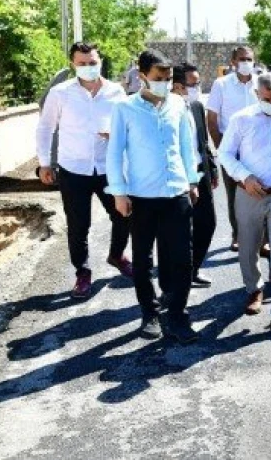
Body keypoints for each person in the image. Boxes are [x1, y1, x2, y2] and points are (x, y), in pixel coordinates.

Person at [106, 50, 200, 343]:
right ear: (143, 75)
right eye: (159, 78)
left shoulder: (177, 105)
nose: (164, 83)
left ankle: (177, 314)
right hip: (141, 196)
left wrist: (192, 181)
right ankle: (150, 312)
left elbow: (186, 145)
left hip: (176, 193)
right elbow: (114, 153)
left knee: (182, 258)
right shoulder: (125, 109)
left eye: (169, 78)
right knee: (144, 259)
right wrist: (119, 192)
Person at [36, 42, 132, 298]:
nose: (88, 67)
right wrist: (45, 162)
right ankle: (82, 272)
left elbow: (127, 125)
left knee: (124, 215)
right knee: (79, 225)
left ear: (100, 62)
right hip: (73, 169)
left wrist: (116, 134)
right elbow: (45, 128)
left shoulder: (115, 92)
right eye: (82, 63)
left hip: (108, 167)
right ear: (73, 64)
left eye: (92, 62)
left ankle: (116, 255)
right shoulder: (60, 93)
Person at [217, 72, 271, 335]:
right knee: (248, 248)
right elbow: (225, 154)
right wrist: (245, 177)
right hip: (249, 194)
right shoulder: (241, 119)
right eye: (268, 99)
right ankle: (254, 290)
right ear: (257, 95)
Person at [205, 46, 259, 251]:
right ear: (233, 62)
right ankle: (237, 234)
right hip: (232, 150)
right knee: (235, 196)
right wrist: (223, 150)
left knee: (260, 191)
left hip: (257, 149)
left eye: (250, 59)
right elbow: (212, 120)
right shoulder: (222, 85)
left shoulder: (260, 84)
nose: (246, 63)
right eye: (242, 59)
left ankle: (260, 237)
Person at [173, 63, 218, 287]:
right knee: (181, 231)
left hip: (201, 173)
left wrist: (212, 167)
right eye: (194, 84)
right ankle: (178, 278)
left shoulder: (198, 106)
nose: (198, 87)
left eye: (198, 83)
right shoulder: (166, 110)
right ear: (177, 86)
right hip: (177, 177)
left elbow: (202, 142)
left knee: (207, 224)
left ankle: (193, 268)